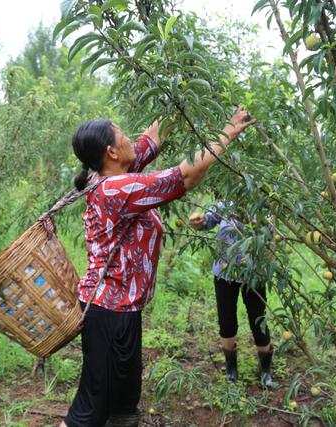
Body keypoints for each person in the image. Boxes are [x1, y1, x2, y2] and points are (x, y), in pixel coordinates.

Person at [61, 108, 255, 427]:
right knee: (89, 413)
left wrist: (177, 95)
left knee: (124, 408)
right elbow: (185, 177)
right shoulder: (114, 189)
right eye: (122, 134)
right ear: (111, 151)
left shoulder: (114, 173)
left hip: (123, 312)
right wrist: (227, 132)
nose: (129, 139)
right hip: (108, 314)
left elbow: (150, 140)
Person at [189, 204, 273, 386]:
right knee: (226, 320)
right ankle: (231, 369)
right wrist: (197, 222)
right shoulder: (224, 204)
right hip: (224, 274)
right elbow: (207, 222)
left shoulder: (262, 203)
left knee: (258, 320)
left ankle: (265, 369)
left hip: (254, 274)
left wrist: (251, 221)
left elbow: (270, 233)